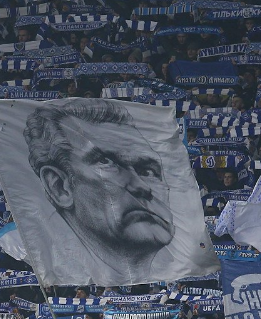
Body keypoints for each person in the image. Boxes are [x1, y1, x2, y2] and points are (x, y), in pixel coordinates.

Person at [23, 98, 176, 280]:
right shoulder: (48, 266)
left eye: (148, 171)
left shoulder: (179, 266)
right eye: (106, 162)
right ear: (59, 187)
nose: (142, 186)